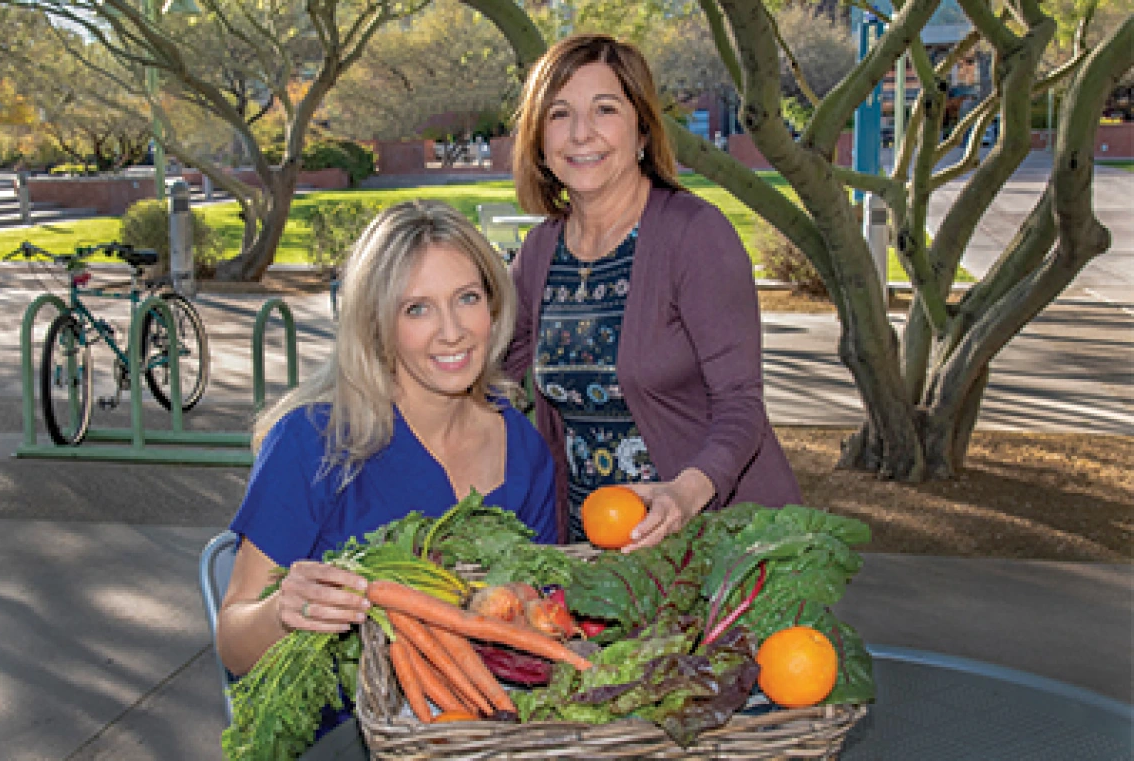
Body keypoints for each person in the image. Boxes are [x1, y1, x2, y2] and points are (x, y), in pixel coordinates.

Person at [217, 200, 557, 721]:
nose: (452, 331)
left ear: (493, 305)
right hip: (346, 732)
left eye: (466, 298)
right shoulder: (312, 443)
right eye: (416, 308)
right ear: (377, 323)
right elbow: (234, 645)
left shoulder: (522, 446)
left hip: (489, 726)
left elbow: (537, 613)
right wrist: (280, 613)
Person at [505, 33, 802, 552]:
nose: (581, 133)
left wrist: (685, 496)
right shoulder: (538, 252)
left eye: (605, 109)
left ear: (642, 129)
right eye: (558, 114)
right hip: (592, 550)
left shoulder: (693, 234)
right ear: (538, 139)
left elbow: (740, 405)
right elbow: (492, 379)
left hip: (713, 536)